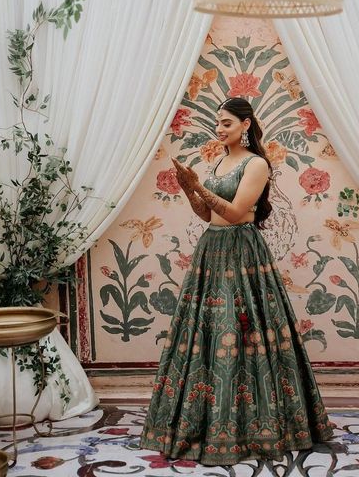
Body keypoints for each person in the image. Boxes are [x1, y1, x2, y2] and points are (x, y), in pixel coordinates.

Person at [140, 97, 333, 466]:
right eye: (218, 123)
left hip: (242, 252)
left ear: (246, 125)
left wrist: (200, 184)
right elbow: (207, 214)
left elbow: (236, 211)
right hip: (211, 250)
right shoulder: (219, 161)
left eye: (226, 123)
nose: (219, 128)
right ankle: (205, 423)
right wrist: (188, 188)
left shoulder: (256, 164)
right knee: (209, 334)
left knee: (242, 331)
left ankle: (255, 426)